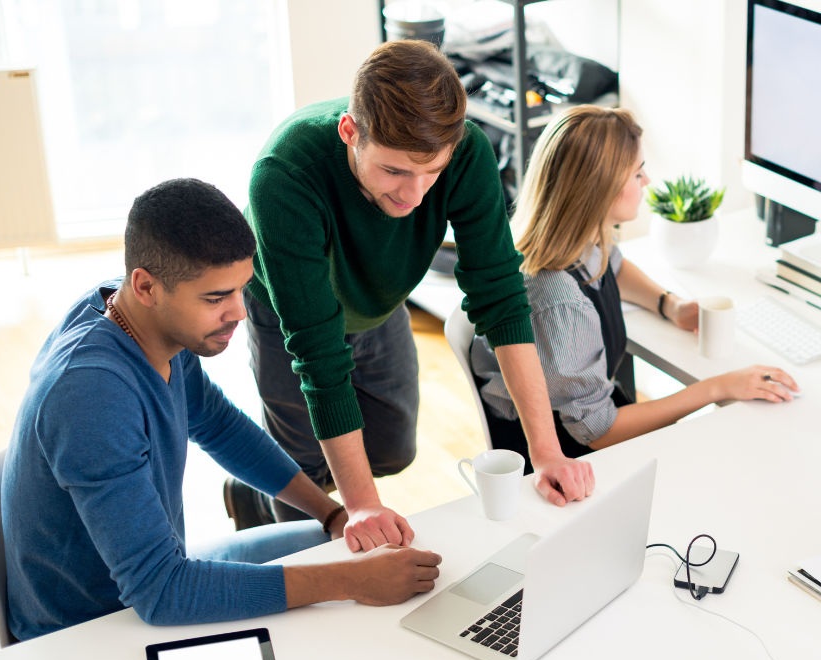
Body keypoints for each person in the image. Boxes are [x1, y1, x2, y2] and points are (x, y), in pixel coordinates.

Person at [2, 179, 441, 641]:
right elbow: (162, 592)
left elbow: (219, 425)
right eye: (216, 298)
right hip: (92, 631)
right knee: (350, 592)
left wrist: (331, 514)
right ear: (146, 286)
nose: (239, 312)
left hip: (156, 576)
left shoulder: (144, 320)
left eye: (240, 290)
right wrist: (351, 583)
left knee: (356, 547)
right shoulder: (90, 396)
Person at [230, 39, 592, 538]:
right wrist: (360, 509)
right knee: (305, 479)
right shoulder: (284, 176)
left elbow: (502, 302)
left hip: (376, 298)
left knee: (393, 449)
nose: (415, 195)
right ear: (349, 132)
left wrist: (547, 452)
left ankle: (271, 485)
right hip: (287, 311)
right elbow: (318, 353)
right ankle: (262, 500)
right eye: (394, 170)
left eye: (432, 172)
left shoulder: (467, 153)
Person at [471, 106, 799, 468]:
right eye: (638, 172)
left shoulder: (577, 240)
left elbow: (616, 267)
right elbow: (599, 432)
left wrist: (668, 304)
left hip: (591, 422)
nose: (647, 181)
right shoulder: (559, 300)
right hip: (571, 458)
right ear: (601, 189)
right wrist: (717, 387)